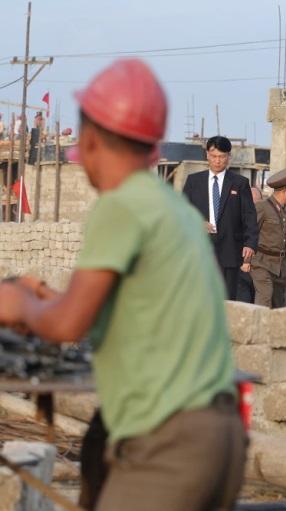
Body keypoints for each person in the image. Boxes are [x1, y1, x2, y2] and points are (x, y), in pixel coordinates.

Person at [0, 59, 245, 510]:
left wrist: (17, 305)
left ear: (90, 139)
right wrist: (48, 299)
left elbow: (68, 324)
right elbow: (122, 310)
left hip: (169, 443)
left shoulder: (121, 205)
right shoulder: (171, 209)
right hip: (221, 435)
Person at [182, 136, 258, 300]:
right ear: (207, 155)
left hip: (230, 249)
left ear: (229, 157)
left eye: (222, 157)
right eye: (214, 156)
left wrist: (250, 244)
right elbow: (181, 212)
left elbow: (249, 216)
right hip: (200, 247)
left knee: (225, 298)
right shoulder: (194, 181)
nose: (217, 161)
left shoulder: (239, 183)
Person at [249, 167, 286, 308]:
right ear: (284, 190)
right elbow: (249, 232)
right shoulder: (262, 207)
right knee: (265, 297)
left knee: (278, 303)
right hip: (261, 262)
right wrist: (246, 260)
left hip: (280, 264)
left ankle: (273, 330)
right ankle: (257, 329)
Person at [235, 186, 265, 303]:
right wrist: (245, 262)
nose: (253, 205)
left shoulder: (266, 217)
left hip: (262, 268)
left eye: (256, 201)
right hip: (242, 268)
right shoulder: (237, 218)